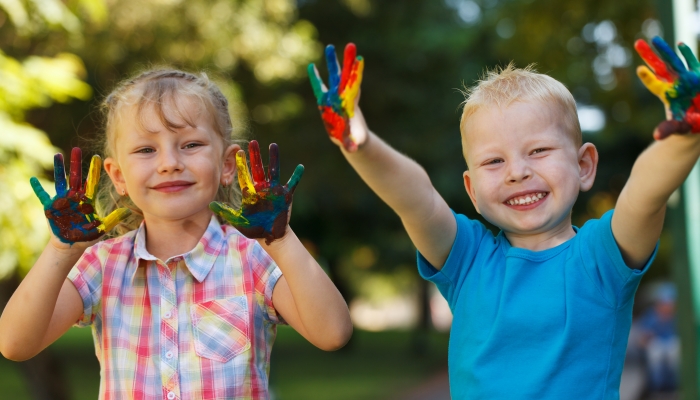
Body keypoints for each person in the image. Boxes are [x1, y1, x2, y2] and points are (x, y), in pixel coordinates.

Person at [307, 38, 700, 399]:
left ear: (584, 166)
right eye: (494, 161)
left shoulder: (602, 258)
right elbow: (416, 199)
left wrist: (683, 138)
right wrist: (359, 144)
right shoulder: (467, 260)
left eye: (539, 150)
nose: (517, 172)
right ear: (472, 190)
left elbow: (644, 196)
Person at [0, 69, 352, 399]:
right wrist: (61, 251)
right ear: (118, 175)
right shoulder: (101, 265)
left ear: (227, 164)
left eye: (191, 145)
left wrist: (282, 240)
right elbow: (14, 343)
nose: (170, 162)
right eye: (146, 150)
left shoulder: (253, 258)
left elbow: (333, 333)